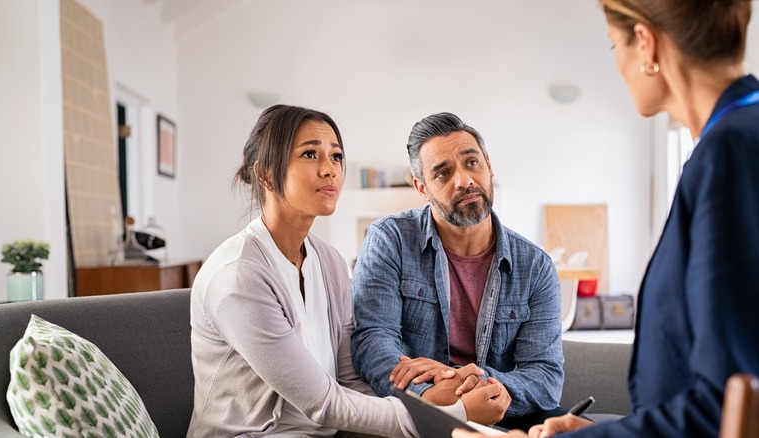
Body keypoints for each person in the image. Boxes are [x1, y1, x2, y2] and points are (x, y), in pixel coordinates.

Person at [454, 0, 759, 437]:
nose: (617, 62)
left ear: (645, 43)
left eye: (614, 45)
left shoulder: (731, 153)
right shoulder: (735, 139)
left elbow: (729, 407)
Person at [187, 104, 506, 437]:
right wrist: (454, 413)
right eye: (310, 155)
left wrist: (424, 403)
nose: (330, 170)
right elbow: (323, 402)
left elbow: (350, 381)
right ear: (266, 174)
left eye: (336, 157)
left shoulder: (329, 262)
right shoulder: (239, 274)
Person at [351, 112, 566, 432]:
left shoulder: (535, 266)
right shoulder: (390, 239)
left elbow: (545, 374)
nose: (464, 180)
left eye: (472, 163)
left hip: (501, 406)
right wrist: (433, 397)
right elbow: (374, 341)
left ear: (489, 165)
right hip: (421, 409)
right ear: (421, 188)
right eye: (443, 173)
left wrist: (481, 382)